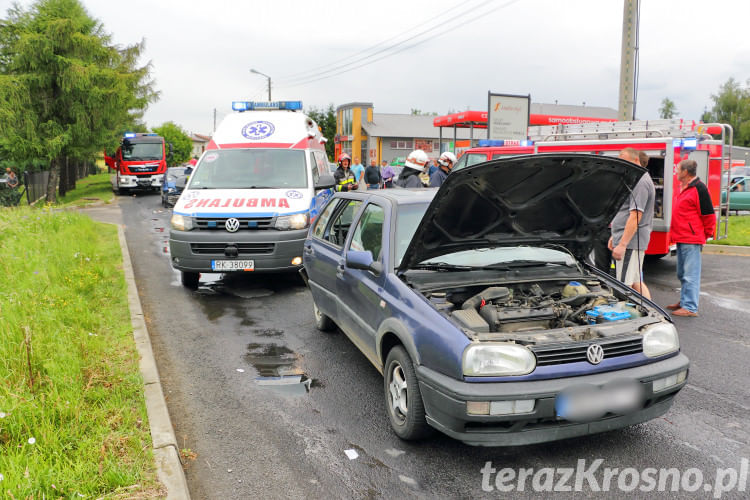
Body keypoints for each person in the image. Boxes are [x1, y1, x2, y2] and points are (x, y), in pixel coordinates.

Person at [666, 159, 716, 317]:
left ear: (685, 173)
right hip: (682, 238)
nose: (676, 172)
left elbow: (708, 214)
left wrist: (705, 235)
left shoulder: (699, 189)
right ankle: (684, 301)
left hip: (691, 239)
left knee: (690, 274)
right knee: (682, 273)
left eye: (678, 169)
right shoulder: (686, 188)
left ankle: (690, 307)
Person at [608, 147, 655, 299]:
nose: (621, 166)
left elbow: (635, 216)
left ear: (636, 160)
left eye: (624, 161)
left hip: (631, 243)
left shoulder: (640, 182)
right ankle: (652, 313)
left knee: (622, 286)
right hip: (629, 240)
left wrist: (622, 244)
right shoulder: (638, 179)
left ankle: (624, 320)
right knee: (636, 282)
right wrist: (615, 237)